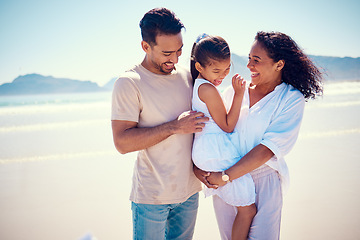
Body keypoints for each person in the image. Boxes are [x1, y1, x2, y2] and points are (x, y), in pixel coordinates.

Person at [194, 31, 323, 240]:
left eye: (256, 60)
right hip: (225, 181)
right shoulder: (234, 92)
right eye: (248, 59)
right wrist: (199, 168)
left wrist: (226, 175)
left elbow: (267, 149)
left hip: (262, 180)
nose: (249, 66)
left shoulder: (290, 99)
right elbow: (210, 132)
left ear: (279, 64)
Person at [111, 8, 208, 240]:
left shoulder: (188, 76)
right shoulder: (129, 83)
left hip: (190, 193)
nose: (174, 59)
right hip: (151, 198)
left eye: (179, 51)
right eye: (167, 53)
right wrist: (174, 127)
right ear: (145, 46)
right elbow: (122, 143)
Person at [190, 34, 256, 240]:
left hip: (208, 151)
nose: (223, 75)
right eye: (216, 70)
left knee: (243, 208)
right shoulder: (208, 89)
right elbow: (227, 126)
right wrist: (238, 93)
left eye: (227, 69)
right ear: (200, 67)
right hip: (215, 153)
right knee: (248, 210)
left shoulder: (200, 84)